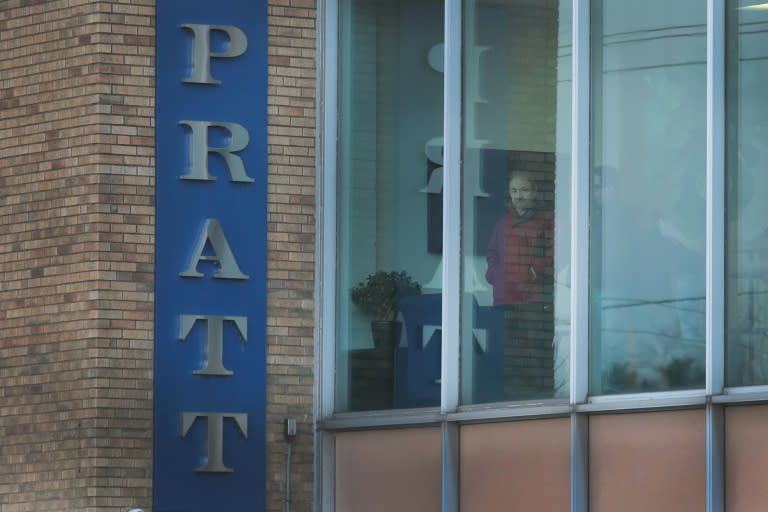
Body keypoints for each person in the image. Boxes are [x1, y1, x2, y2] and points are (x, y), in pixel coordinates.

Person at [485, 170, 554, 400]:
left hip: (531, 297)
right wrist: (494, 274)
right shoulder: (502, 223)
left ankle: (535, 398)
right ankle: (508, 398)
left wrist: (535, 270)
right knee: (508, 352)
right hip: (504, 296)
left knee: (533, 349)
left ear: (534, 192)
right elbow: (492, 253)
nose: (519, 195)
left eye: (524, 190)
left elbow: (555, 254)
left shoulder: (545, 223)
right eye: (514, 191)